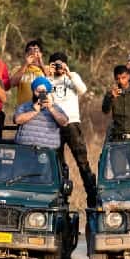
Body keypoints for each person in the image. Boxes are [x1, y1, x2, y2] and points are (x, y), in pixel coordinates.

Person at [46, 52, 97, 207]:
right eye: (56, 64)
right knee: (57, 162)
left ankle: (92, 194)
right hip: (54, 124)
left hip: (72, 122)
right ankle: (61, 197)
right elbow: (42, 95)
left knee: (82, 160)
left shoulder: (72, 76)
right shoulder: (48, 80)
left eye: (61, 64)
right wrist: (48, 76)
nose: (59, 67)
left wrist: (68, 73)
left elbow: (83, 90)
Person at [14, 76, 69, 149]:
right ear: (33, 91)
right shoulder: (24, 106)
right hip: (25, 148)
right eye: (38, 91)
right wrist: (34, 111)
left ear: (48, 92)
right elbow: (17, 120)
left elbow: (64, 122)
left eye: (43, 91)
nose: (40, 94)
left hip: (47, 151)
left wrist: (51, 109)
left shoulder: (54, 107)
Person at [10, 40, 48, 105]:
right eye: (29, 50)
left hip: (41, 108)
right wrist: (25, 64)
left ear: (41, 54)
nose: (32, 52)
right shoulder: (18, 69)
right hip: (23, 109)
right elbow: (12, 83)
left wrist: (41, 63)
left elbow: (52, 82)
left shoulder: (46, 68)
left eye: (36, 50)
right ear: (26, 54)